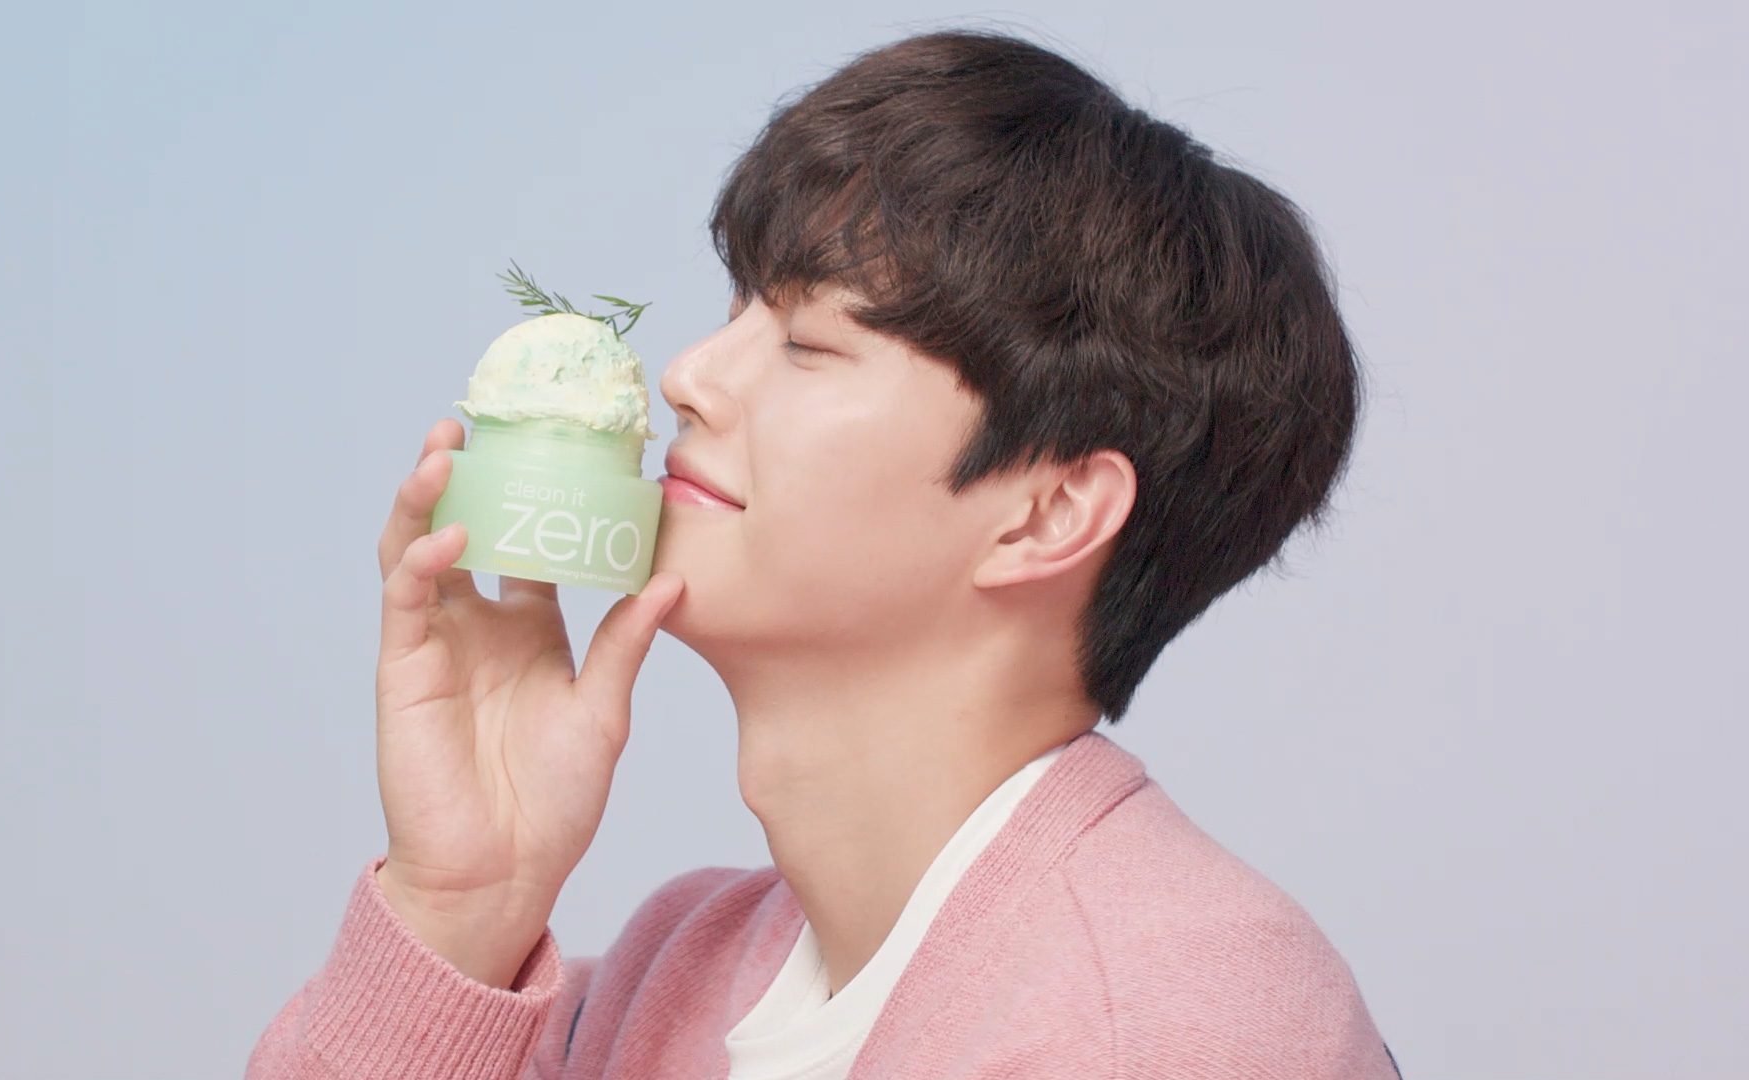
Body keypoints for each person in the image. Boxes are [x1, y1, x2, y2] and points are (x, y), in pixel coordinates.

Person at [247, 28, 1400, 1080]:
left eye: (807, 341)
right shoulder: (669, 977)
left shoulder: (1173, 1023)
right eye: (738, 311)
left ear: (1047, 515)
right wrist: (463, 904)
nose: (689, 376)